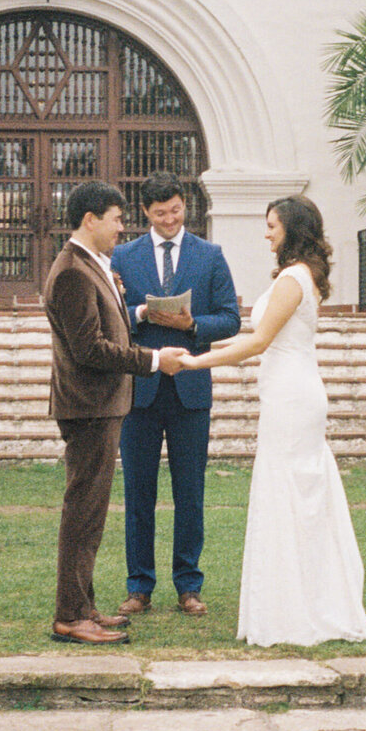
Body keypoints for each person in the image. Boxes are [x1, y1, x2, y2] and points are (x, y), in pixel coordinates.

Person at [176, 195, 366, 647]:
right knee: (291, 493)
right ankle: (295, 598)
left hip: (293, 398)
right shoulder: (298, 276)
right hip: (291, 392)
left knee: (290, 494)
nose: (265, 233)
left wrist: (196, 363)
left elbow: (258, 341)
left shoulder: (292, 279)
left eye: (272, 226)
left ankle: (295, 607)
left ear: (291, 231)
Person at [43, 179, 184, 645]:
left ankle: (84, 606)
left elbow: (109, 325)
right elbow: (90, 349)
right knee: (82, 512)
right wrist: (151, 361)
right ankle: (69, 615)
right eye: (117, 218)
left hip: (102, 406)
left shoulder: (92, 266)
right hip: (88, 407)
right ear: (90, 219)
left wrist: (133, 311)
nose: (123, 228)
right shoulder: (71, 272)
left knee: (92, 513)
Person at [111, 171, 239, 617]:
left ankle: (189, 585)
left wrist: (192, 326)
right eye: (161, 212)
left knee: (190, 491)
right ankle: (138, 586)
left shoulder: (210, 255)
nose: (170, 219)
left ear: (186, 206)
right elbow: (109, 314)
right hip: (140, 390)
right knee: (138, 491)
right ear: (144, 212)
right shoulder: (123, 256)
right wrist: (141, 311)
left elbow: (231, 319)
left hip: (190, 389)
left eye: (177, 210)